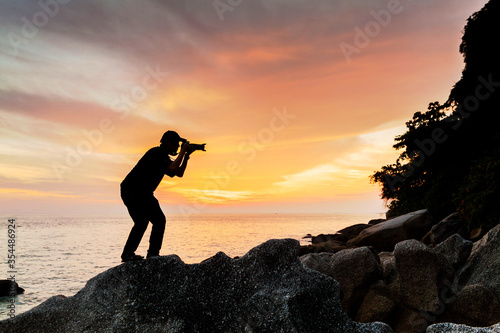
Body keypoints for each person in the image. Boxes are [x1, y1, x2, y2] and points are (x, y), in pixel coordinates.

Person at [120, 130, 196, 262]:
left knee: (144, 222)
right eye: (177, 144)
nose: (178, 147)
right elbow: (173, 168)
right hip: (133, 190)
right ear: (168, 143)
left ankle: (137, 254)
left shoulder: (164, 157)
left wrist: (186, 156)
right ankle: (149, 255)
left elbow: (178, 173)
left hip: (141, 192)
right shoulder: (156, 153)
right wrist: (183, 152)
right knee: (154, 221)